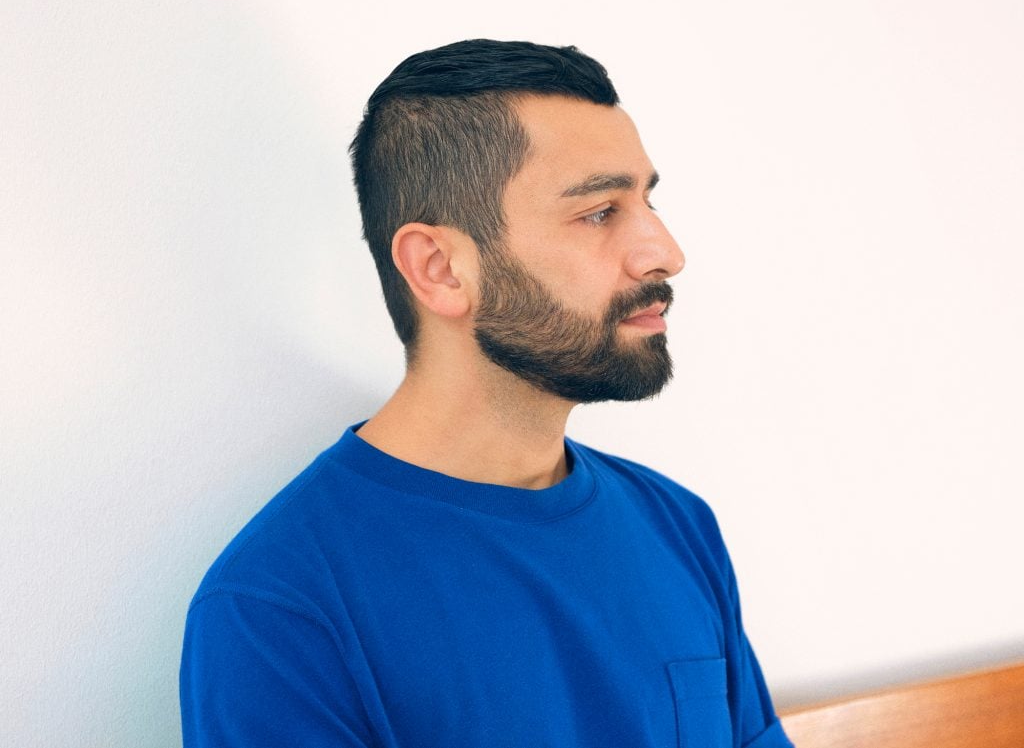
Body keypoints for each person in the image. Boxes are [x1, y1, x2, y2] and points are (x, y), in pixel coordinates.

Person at [179, 39, 794, 748]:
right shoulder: (281, 609)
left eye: (646, 201)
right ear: (440, 268)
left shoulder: (678, 525)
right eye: (599, 211)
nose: (664, 251)